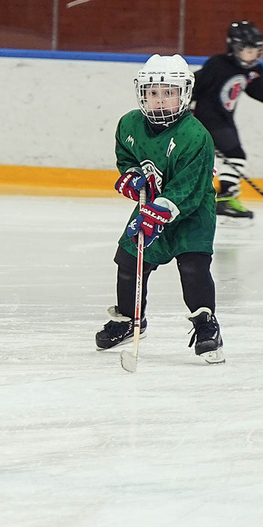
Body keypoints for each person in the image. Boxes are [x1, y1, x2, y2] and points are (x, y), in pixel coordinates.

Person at [94, 54, 223, 365]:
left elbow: (188, 189)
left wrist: (160, 211)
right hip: (151, 205)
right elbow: (127, 157)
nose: (161, 100)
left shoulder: (195, 136)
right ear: (143, 94)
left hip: (191, 213)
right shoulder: (129, 124)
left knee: (192, 267)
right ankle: (129, 320)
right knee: (129, 261)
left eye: (169, 92)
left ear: (184, 94)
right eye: (153, 93)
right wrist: (130, 177)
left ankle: (207, 327)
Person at [190, 20, 263, 221]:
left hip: (224, 120)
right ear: (233, 48)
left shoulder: (250, 70)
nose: (253, 56)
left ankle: (223, 199)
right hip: (207, 119)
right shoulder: (217, 65)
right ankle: (224, 199)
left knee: (232, 156)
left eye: (256, 51)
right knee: (234, 154)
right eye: (248, 51)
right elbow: (195, 85)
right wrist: (186, 112)